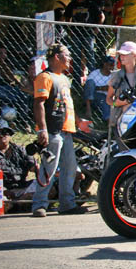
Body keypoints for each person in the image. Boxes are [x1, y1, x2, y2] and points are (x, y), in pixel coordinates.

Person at [32, 43, 87, 217]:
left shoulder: (63, 78)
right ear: (57, 56)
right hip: (53, 130)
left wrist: (78, 122)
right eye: (67, 54)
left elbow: (67, 103)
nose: (70, 58)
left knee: (70, 168)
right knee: (49, 167)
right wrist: (42, 130)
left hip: (67, 130)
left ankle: (67, 204)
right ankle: (39, 204)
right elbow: (39, 103)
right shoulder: (45, 77)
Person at [64, 0, 105, 91]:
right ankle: (77, 83)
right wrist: (69, 29)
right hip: (76, 34)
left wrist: (97, 27)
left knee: (90, 57)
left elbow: (101, 16)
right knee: (76, 58)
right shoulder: (71, 5)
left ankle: (93, 81)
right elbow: (66, 17)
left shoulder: (90, 4)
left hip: (88, 34)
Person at [106, 41, 136, 130]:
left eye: (125, 54)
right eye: (120, 54)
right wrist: (116, 103)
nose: (121, 57)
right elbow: (108, 99)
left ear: (135, 55)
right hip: (121, 120)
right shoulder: (116, 76)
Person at [83, 55, 115, 122]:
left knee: (105, 101)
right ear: (104, 64)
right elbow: (88, 87)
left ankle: (109, 122)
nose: (111, 67)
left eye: (113, 65)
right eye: (110, 65)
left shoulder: (113, 75)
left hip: (106, 98)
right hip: (94, 96)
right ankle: (88, 109)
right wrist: (101, 88)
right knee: (90, 82)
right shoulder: (95, 73)